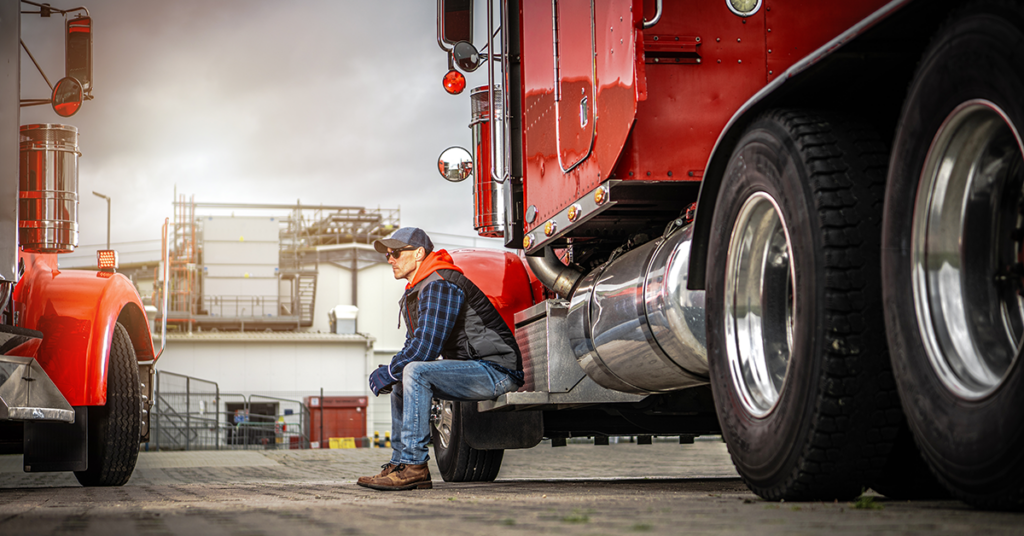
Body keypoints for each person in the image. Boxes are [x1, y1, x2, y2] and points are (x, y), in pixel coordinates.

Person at [357, 227, 524, 491]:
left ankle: (415, 466)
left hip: (497, 371)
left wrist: (390, 371)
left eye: (396, 253)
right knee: (404, 377)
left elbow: (424, 350)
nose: (390, 259)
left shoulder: (440, 283)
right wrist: (392, 372)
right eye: (388, 254)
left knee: (413, 371)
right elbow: (413, 346)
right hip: (473, 368)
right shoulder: (421, 286)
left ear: (419, 253)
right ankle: (401, 463)